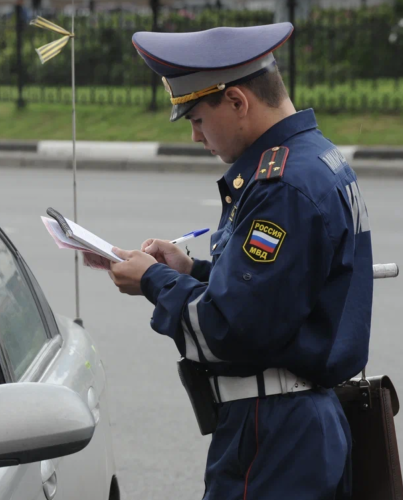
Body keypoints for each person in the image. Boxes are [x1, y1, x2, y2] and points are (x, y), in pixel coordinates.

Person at [108, 23, 372, 499]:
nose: (195, 137)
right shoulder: (317, 159)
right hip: (294, 426)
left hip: (273, 435)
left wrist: (155, 281)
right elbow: (283, 292)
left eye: (196, 119)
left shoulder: (282, 186)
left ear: (236, 102)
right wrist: (190, 272)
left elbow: (230, 328)